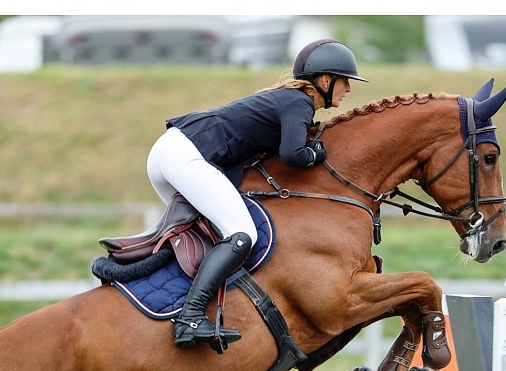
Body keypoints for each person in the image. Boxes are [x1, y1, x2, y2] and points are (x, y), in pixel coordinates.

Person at [146, 39, 367, 352]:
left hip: (169, 151)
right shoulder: (298, 102)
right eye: (345, 81)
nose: (349, 89)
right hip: (186, 155)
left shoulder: (289, 100)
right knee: (241, 233)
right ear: (325, 80)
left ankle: (167, 301)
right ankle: (191, 317)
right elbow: (293, 155)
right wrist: (316, 152)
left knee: (203, 234)